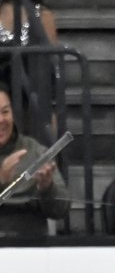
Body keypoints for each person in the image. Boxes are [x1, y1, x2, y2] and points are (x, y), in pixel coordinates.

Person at [0, 86, 69, 239]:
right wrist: (2, 180)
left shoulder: (36, 152)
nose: (1, 120)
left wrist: (47, 188)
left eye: (5, 112)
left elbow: (62, 209)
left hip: (31, 250)